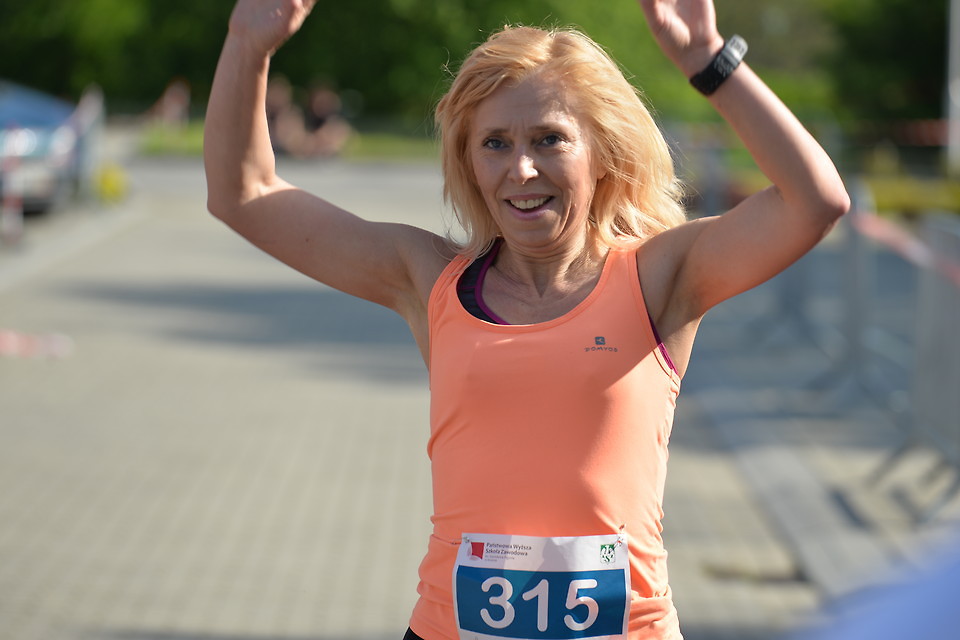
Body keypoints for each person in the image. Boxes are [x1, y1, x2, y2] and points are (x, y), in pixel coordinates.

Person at [203, 1, 850, 639]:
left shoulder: (660, 277)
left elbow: (814, 202)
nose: (521, 168)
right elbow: (244, 194)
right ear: (469, 161)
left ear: (601, 151)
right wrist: (247, 43)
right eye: (495, 144)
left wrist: (710, 62)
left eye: (549, 139)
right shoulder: (429, 279)